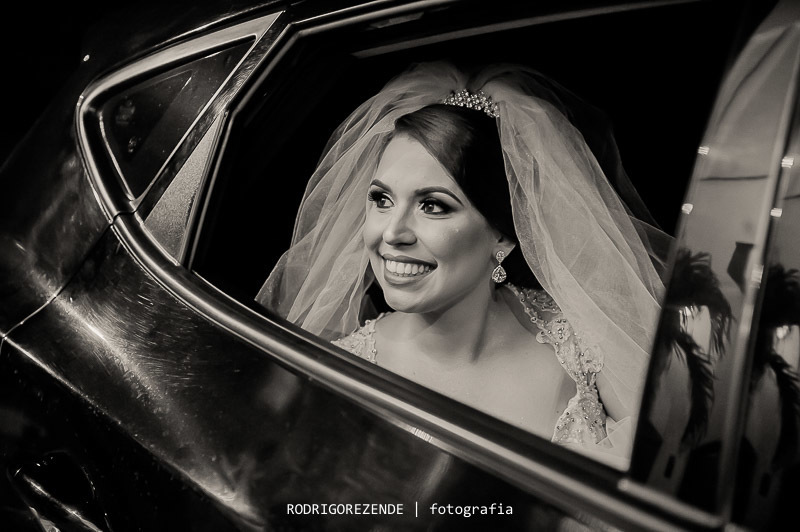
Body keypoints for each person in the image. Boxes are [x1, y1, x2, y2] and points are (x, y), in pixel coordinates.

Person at [257, 62, 670, 467]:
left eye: (432, 205)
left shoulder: (579, 334)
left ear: (502, 235)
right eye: (381, 200)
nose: (391, 233)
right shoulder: (334, 383)